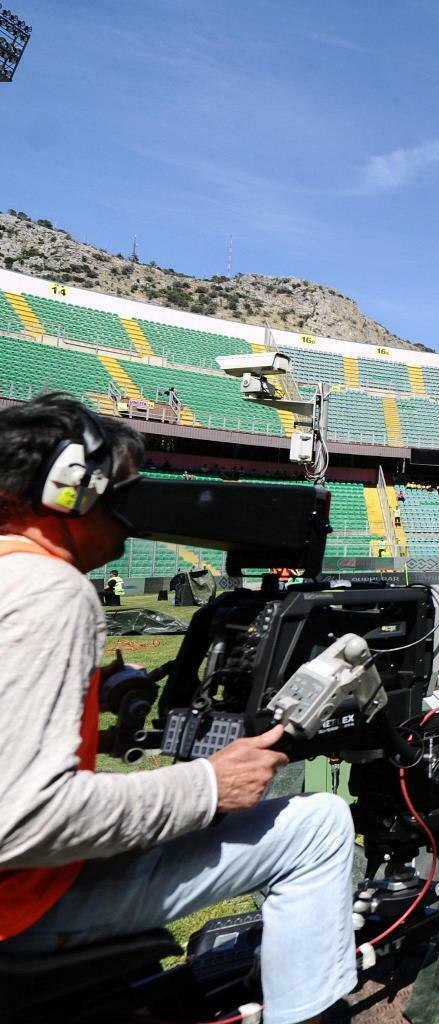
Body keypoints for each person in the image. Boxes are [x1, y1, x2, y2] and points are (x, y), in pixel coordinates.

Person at [0, 395, 356, 1024]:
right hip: (23, 906)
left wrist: (101, 701)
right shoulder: (50, 589)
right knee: (319, 824)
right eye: (129, 490)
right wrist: (207, 785)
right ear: (73, 493)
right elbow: (22, 818)